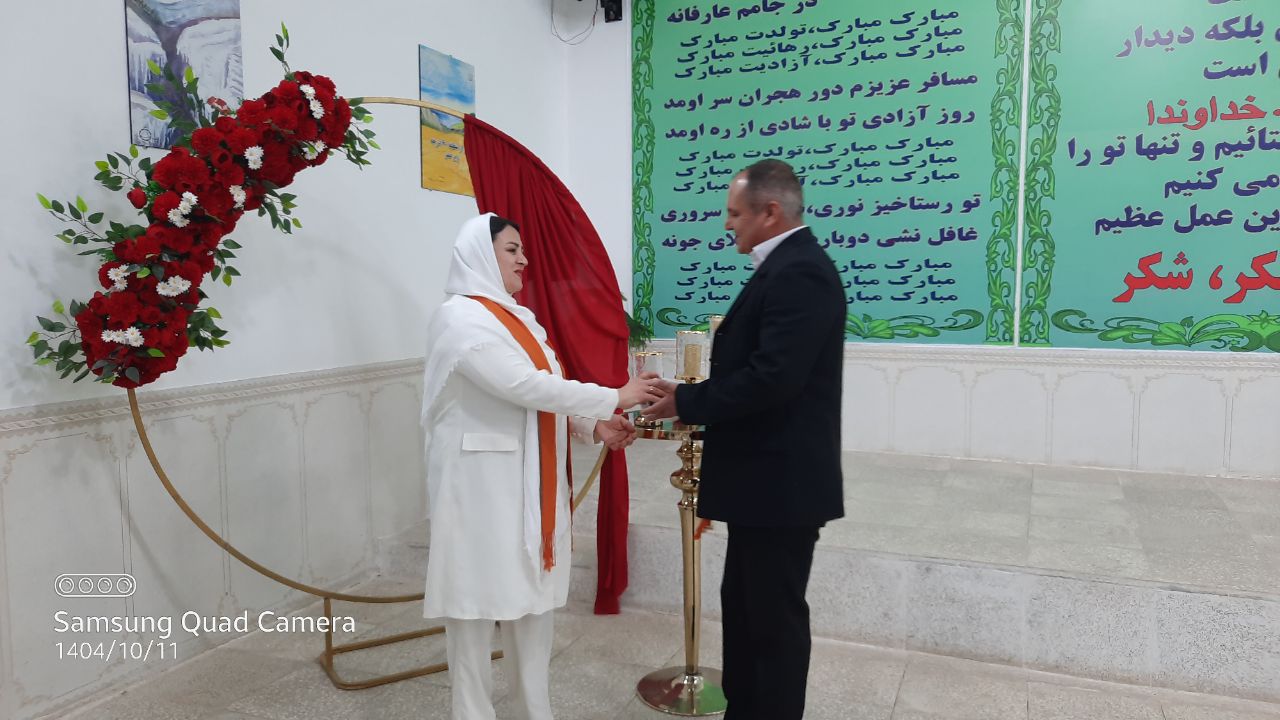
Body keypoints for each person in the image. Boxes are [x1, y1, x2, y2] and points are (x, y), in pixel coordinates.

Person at [420, 212, 660, 720]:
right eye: (512, 250)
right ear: (480, 255)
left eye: (522, 249)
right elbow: (521, 385)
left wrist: (593, 426)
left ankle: (534, 712)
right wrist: (613, 396)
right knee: (472, 610)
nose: (524, 259)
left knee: (531, 603)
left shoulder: (518, 320)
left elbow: (543, 398)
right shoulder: (459, 319)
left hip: (528, 488)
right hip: (478, 490)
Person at [643, 160, 845, 720]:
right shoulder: (784, 267)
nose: (727, 224)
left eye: (734, 213)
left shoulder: (800, 272)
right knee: (748, 615)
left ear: (770, 211)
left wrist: (687, 403)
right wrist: (690, 394)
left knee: (771, 627)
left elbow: (773, 379)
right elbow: (761, 371)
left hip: (781, 489)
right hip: (765, 487)